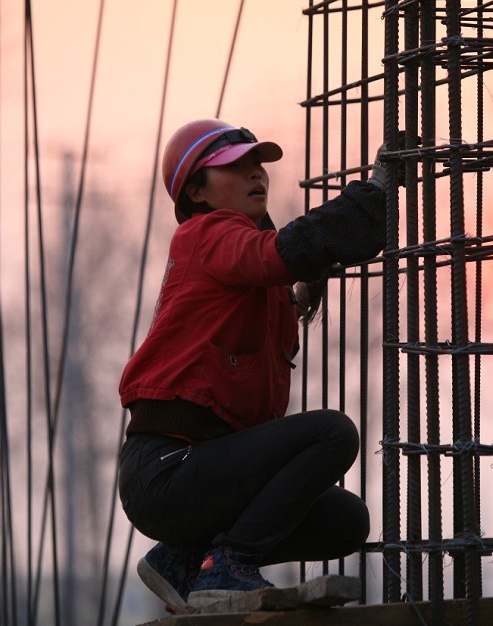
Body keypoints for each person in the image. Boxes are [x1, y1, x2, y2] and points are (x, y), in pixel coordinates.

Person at [117, 119, 390, 613]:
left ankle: (184, 559)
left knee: (346, 522)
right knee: (333, 434)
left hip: (204, 473)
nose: (256, 175)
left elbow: (274, 270)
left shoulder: (247, 273)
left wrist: (303, 285)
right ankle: (229, 563)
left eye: (257, 165)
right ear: (195, 192)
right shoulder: (206, 234)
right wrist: (371, 196)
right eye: (235, 168)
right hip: (167, 470)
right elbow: (275, 253)